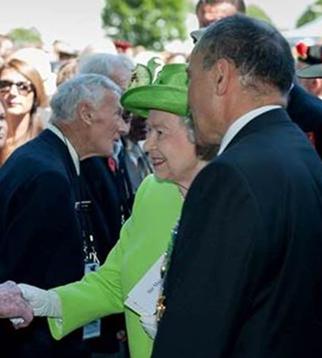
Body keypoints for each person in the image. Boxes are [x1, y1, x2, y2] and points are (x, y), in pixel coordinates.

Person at [152, 15, 322, 358]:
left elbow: (193, 333)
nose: (188, 96)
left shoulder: (229, 176)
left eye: (189, 77)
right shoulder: (303, 154)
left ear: (220, 76)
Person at [16, 63, 210, 358]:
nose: (147, 145)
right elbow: (113, 282)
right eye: (148, 131)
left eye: (159, 131)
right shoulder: (151, 192)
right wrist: (48, 302)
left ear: (200, 134)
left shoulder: (233, 200)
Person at [0, 74, 127, 357]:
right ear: (86, 114)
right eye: (117, 114)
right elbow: (26, 290)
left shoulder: (44, 159)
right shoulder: (48, 176)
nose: (122, 126)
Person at [0, 58, 47, 164]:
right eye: (4, 85)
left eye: (23, 87)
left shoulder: (46, 145)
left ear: (36, 94)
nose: (13, 92)